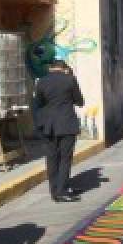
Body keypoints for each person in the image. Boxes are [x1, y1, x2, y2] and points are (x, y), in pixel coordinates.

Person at [34, 60, 85, 203]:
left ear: (51, 68)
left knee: (51, 158)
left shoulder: (41, 82)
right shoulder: (70, 80)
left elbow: (38, 103)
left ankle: (55, 191)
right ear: (63, 68)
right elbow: (80, 101)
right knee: (65, 158)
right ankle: (62, 190)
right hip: (66, 124)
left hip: (48, 126)